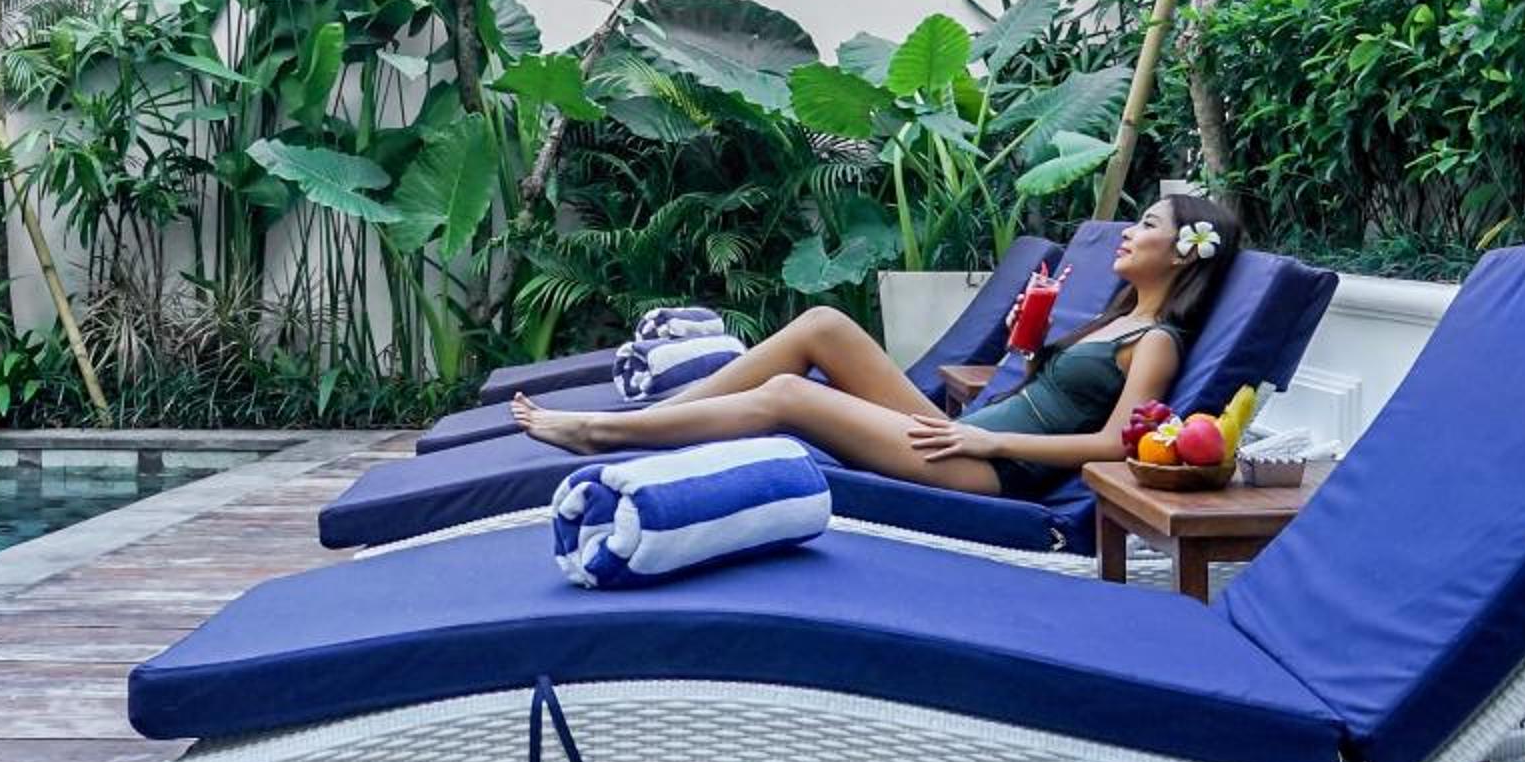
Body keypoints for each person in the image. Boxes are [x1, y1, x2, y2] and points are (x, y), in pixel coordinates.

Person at [513, 193, 1243, 501]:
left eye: (1147, 225)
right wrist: (1027, 346)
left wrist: (987, 443)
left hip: (985, 467)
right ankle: (658, 418)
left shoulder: (1156, 342)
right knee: (824, 325)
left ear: (1184, 253)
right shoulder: (1115, 320)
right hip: (963, 432)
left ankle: (603, 433)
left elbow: (1117, 445)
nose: (1129, 232)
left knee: (791, 397)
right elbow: (1041, 390)